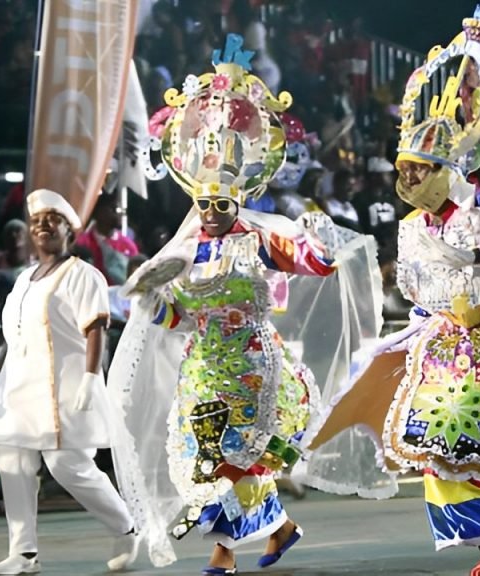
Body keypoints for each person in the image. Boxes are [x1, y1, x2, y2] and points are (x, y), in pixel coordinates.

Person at [302, 4, 480, 575]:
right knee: (438, 449)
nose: (409, 180)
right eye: (405, 171)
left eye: (420, 170)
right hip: (444, 345)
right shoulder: (413, 226)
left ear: (445, 168)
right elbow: (422, 288)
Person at [107, 35, 381, 575]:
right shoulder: (185, 255)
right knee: (210, 463)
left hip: (254, 368)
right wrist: (148, 300)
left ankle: (223, 553)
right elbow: (180, 319)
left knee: (235, 461)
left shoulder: (257, 240)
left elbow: (315, 264)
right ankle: (280, 529)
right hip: (204, 370)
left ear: (237, 201)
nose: (208, 212)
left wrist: (313, 241)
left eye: (219, 204)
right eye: (202, 203)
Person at [0, 189, 138, 574]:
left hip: (63, 388)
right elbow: (15, 335)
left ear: (70, 229)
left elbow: (96, 329)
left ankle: (126, 527)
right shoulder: (23, 280)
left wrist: (90, 376)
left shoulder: (83, 275)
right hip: (19, 387)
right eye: (36, 222)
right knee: (12, 464)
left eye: (52, 220)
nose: (42, 227)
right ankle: (23, 553)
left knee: (67, 465)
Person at [74, 193, 139, 286]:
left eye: (120, 210)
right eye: (115, 209)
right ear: (99, 213)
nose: (120, 213)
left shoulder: (128, 246)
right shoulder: (82, 242)